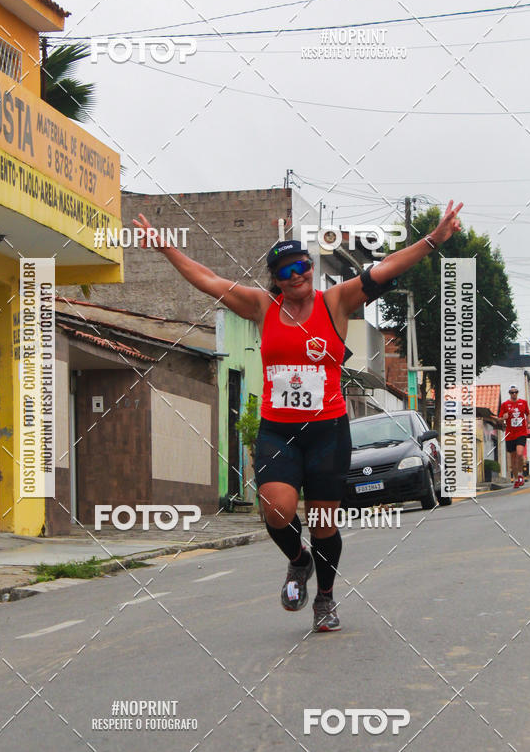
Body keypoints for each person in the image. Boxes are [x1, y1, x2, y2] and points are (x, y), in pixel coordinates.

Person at [133, 201, 463, 632]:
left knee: (324, 521)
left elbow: (385, 268)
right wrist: (166, 250)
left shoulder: (336, 301)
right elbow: (209, 280)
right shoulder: (260, 306)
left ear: (311, 267)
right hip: (278, 430)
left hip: (327, 430)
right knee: (277, 507)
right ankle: (298, 559)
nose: (296, 275)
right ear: (275, 279)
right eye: (285, 270)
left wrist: (433, 240)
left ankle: (325, 598)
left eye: (302, 266)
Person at [498, 385, 530, 488]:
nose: (514, 394)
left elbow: (528, 413)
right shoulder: (505, 405)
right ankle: (516, 479)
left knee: (520, 454)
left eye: (515, 392)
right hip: (510, 434)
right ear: (509, 393)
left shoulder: (523, 403)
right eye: (512, 392)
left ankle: (521, 475)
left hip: (521, 432)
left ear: (518, 392)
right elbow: (499, 419)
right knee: (513, 459)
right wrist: (504, 417)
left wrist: (529, 423)